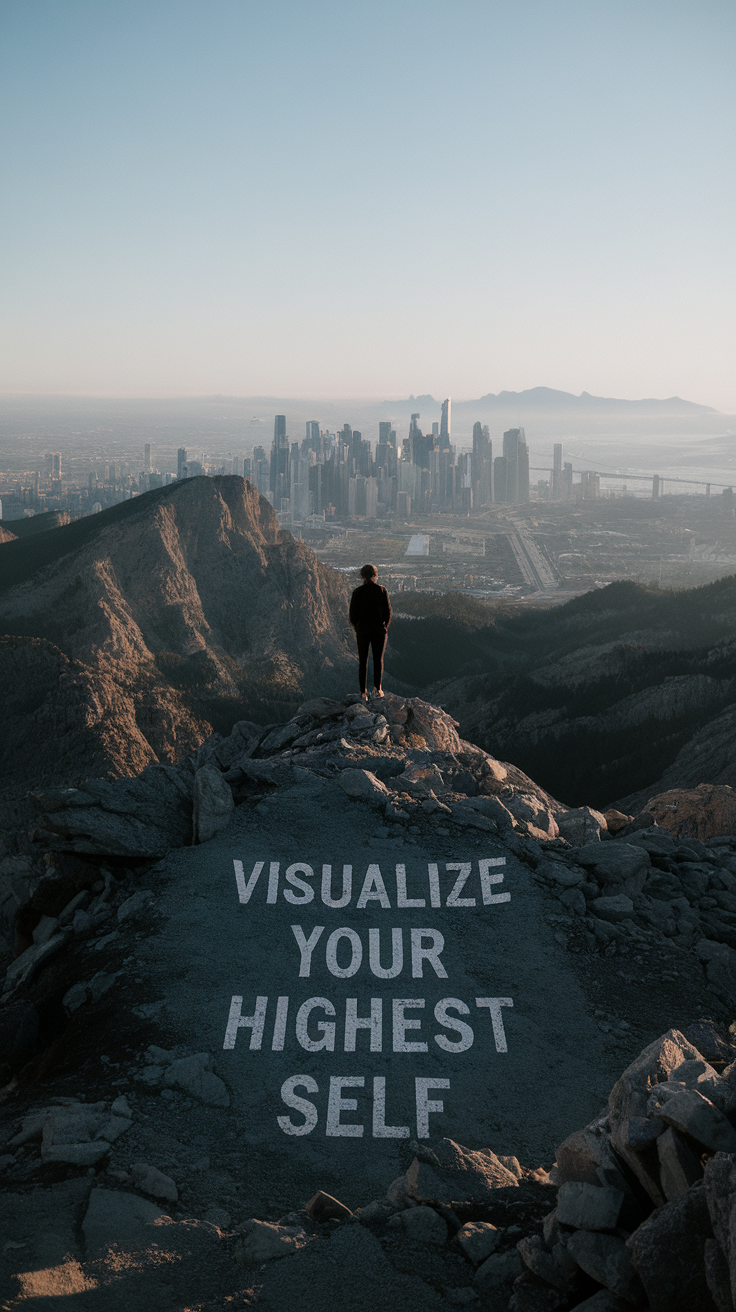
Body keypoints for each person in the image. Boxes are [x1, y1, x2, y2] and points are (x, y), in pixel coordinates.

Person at [349, 563, 392, 699]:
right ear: (375, 576)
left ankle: (363, 693)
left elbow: (352, 615)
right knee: (378, 660)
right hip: (379, 630)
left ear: (362, 576)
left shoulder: (357, 592)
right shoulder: (381, 590)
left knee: (363, 661)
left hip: (363, 631)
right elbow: (388, 612)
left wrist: (358, 627)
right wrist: (385, 627)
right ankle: (377, 689)